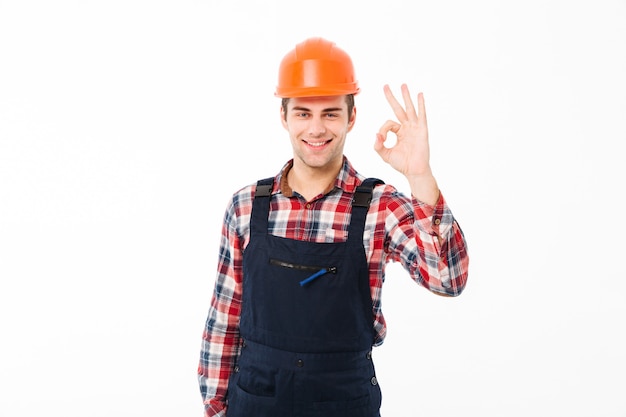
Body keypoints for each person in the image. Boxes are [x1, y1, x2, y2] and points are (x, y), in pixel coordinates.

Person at [197, 37, 469, 417]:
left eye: (330, 113)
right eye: (304, 113)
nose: (317, 128)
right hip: (256, 399)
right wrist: (215, 407)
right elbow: (225, 316)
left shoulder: (379, 206)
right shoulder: (246, 207)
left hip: (344, 401)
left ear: (351, 117)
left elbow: (448, 278)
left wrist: (420, 176)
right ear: (284, 116)